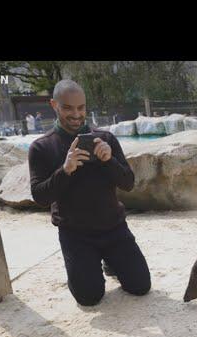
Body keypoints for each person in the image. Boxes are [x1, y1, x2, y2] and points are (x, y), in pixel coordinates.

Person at [28, 79, 151, 306]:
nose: (76, 114)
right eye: (68, 108)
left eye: (81, 108)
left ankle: (110, 262)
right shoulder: (41, 147)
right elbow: (40, 197)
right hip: (75, 234)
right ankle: (86, 265)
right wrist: (64, 171)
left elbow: (128, 183)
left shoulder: (105, 139)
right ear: (54, 105)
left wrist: (109, 160)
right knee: (89, 298)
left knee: (141, 286)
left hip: (114, 228)